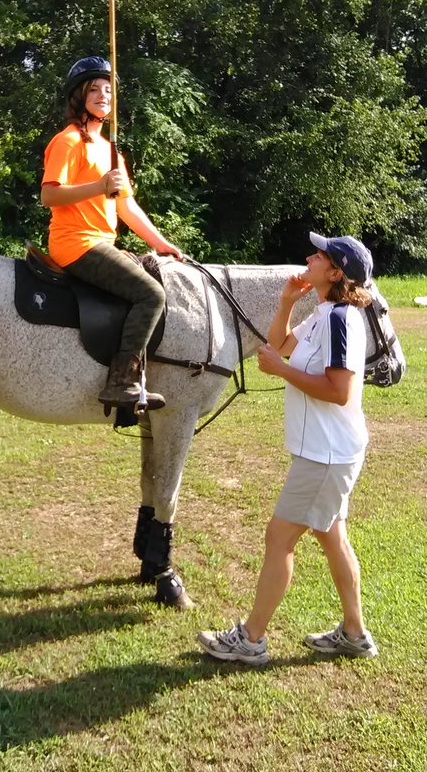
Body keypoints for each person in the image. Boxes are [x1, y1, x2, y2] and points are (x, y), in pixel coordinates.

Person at [197, 232, 378, 667]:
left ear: (336, 273)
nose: (308, 258)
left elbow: (338, 391)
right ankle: (354, 634)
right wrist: (284, 303)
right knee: (332, 537)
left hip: (326, 455)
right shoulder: (323, 314)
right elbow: (279, 346)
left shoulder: (340, 320)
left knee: (279, 537)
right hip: (327, 452)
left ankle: (251, 639)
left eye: (319, 256)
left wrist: (279, 370)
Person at [41, 55, 182, 410]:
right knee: (151, 295)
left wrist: (162, 244)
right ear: (79, 97)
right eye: (94, 89)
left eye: (108, 89)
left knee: (155, 275)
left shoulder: (109, 149)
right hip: (75, 243)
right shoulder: (70, 141)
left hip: (101, 242)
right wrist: (99, 185)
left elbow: (125, 207)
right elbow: (49, 195)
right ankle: (122, 380)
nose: (103, 94)